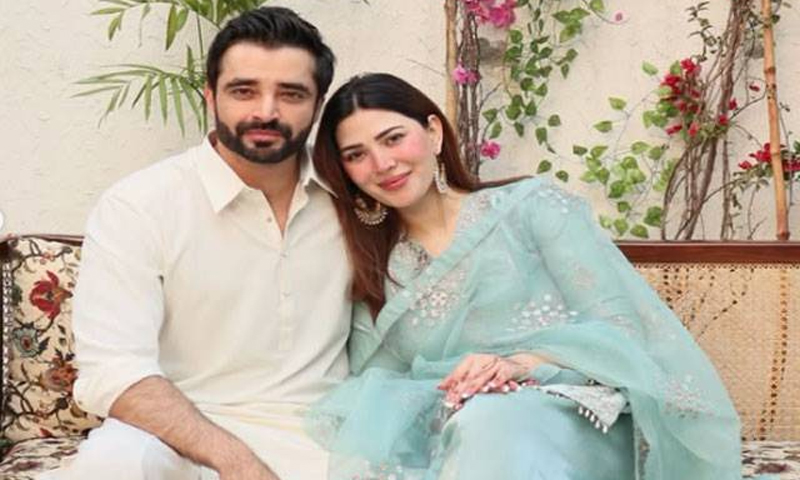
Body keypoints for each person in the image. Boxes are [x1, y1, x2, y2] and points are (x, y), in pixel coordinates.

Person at [306, 73, 773, 480]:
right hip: (450, 427)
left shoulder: (530, 209)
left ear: (433, 131)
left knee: (491, 425)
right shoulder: (374, 263)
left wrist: (521, 364)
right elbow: (375, 383)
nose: (382, 164)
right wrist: (458, 388)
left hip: (568, 413)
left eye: (392, 139)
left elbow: (621, 328)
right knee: (466, 428)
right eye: (356, 154)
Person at [42, 7, 350, 480]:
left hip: (323, 436)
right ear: (210, 95)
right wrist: (239, 464)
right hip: (176, 434)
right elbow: (114, 371)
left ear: (318, 104)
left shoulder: (355, 199)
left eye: (291, 94)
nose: (266, 112)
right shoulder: (140, 205)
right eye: (243, 91)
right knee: (113, 463)